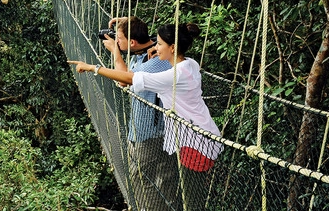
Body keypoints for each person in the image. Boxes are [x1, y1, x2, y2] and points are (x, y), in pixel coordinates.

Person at [69, 22, 223, 210]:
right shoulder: (190, 64)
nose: (154, 47)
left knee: (190, 201)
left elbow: (129, 79)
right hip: (205, 136)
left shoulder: (172, 77)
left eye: (158, 44)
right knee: (189, 195)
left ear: (173, 47)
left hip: (195, 144)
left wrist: (93, 68)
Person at [103, 16, 179, 211]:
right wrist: (128, 22)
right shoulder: (150, 49)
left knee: (142, 180)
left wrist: (115, 53)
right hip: (160, 132)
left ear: (132, 42)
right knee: (164, 180)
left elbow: (124, 80)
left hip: (149, 135)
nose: (116, 42)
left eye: (119, 39)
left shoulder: (156, 62)